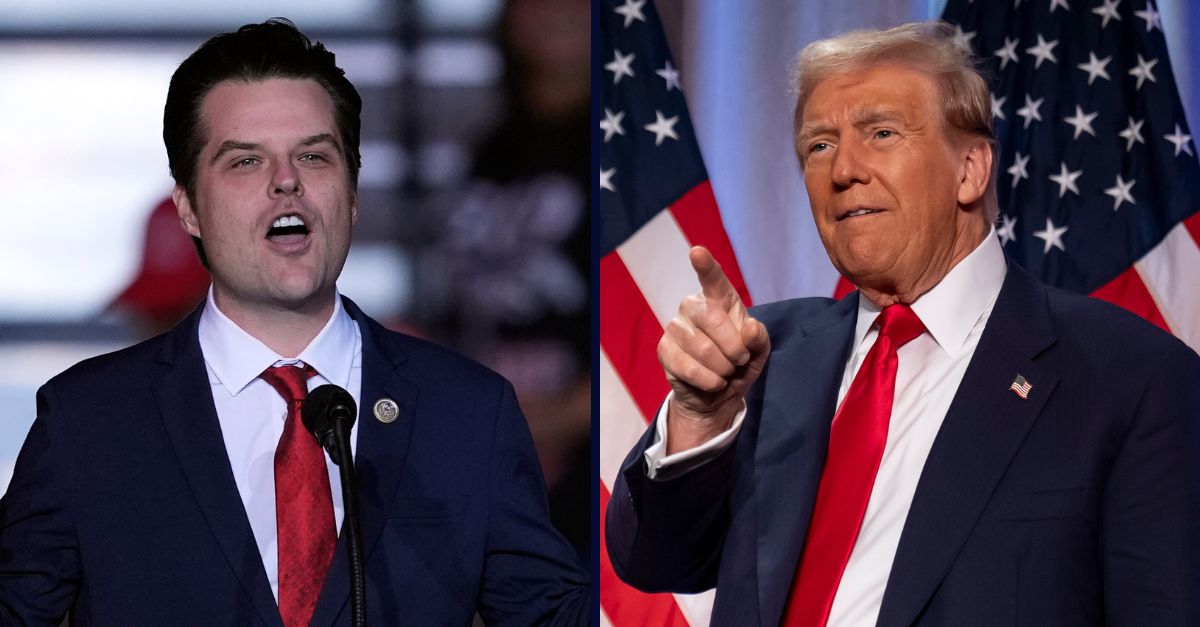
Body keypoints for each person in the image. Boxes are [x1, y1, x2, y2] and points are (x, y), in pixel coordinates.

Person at [606, 21, 1200, 627]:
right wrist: (701, 417)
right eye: (818, 146)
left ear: (970, 168)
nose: (843, 170)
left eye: (882, 133)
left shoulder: (1131, 378)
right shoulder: (762, 357)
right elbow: (653, 561)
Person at [0, 19, 588, 626]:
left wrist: (681, 441)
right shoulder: (87, 422)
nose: (287, 181)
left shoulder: (468, 413)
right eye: (245, 162)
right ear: (189, 210)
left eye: (313, 155)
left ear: (352, 195)